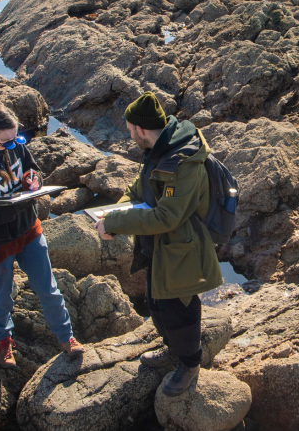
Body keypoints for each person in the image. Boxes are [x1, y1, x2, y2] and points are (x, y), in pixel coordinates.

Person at [94, 92, 222, 397]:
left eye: (129, 130)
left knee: (179, 310)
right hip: (159, 247)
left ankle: (190, 363)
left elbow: (167, 217)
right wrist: (113, 214)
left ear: (140, 129)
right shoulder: (158, 149)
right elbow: (137, 190)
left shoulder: (184, 162)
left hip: (182, 249)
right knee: (156, 304)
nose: (129, 135)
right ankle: (172, 350)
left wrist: (116, 223)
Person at [0, 105, 84, 369]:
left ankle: (66, 337)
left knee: (48, 288)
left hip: (28, 231)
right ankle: (1, 340)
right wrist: (21, 204)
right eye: (6, 141)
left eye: (16, 138)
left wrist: (33, 180)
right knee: (2, 296)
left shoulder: (15, 146)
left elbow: (33, 168)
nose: (12, 145)